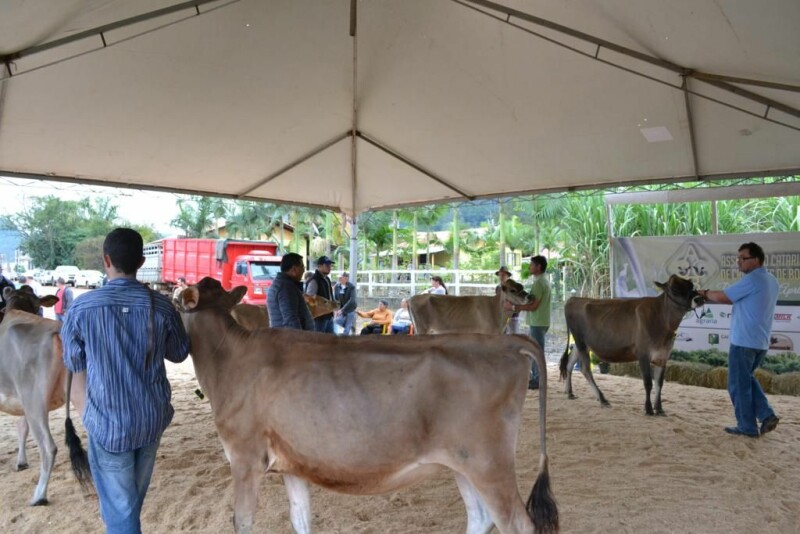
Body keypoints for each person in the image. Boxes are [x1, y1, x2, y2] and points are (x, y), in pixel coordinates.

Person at [61, 228, 190, 533]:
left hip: (107, 424)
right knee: (129, 502)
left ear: (106, 260)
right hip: (150, 420)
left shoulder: (81, 308)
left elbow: (73, 362)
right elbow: (180, 353)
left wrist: (88, 415)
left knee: (121, 510)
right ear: (142, 261)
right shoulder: (162, 307)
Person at [700, 242, 780, 438]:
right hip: (760, 341)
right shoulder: (771, 280)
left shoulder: (753, 280)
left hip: (744, 341)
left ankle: (747, 426)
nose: (739, 262)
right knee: (746, 380)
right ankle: (766, 414)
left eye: (743, 258)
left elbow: (724, 297)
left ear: (757, 260)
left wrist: (703, 293)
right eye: (738, 258)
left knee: (737, 385)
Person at [506, 255, 551, 390]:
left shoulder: (538, 283)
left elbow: (533, 306)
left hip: (537, 321)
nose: (530, 267)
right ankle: (536, 377)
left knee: (536, 351)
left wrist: (513, 308)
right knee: (536, 350)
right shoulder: (544, 280)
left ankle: (538, 380)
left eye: (532, 265)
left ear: (538, 267)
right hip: (542, 320)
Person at [267, 252, 315, 331]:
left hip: (283, 336)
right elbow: (290, 319)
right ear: (294, 269)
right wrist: (300, 340)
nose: (304, 270)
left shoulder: (281, 284)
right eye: (302, 267)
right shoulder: (286, 287)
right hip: (289, 339)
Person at [305, 255, 336, 334]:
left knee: (330, 341)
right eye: (327, 265)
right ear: (319, 266)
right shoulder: (314, 280)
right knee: (318, 341)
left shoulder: (327, 279)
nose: (329, 267)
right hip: (319, 319)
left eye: (330, 265)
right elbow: (309, 299)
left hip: (328, 316)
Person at [496, 266, 519, 334]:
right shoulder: (498, 288)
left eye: (503, 275)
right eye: (500, 275)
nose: (501, 277)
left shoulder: (513, 287)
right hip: (502, 316)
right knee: (502, 334)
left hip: (512, 316)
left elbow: (517, 301)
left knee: (514, 335)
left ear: (507, 276)